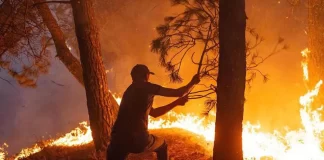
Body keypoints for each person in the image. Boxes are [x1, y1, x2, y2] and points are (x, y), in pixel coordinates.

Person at [107, 64, 200, 160]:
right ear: (146, 75)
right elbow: (179, 93)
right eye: (148, 75)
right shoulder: (148, 87)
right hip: (138, 139)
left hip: (117, 139)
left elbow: (154, 113)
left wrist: (176, 102)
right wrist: (192, 82)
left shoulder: (128, 92)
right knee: (163, 145)